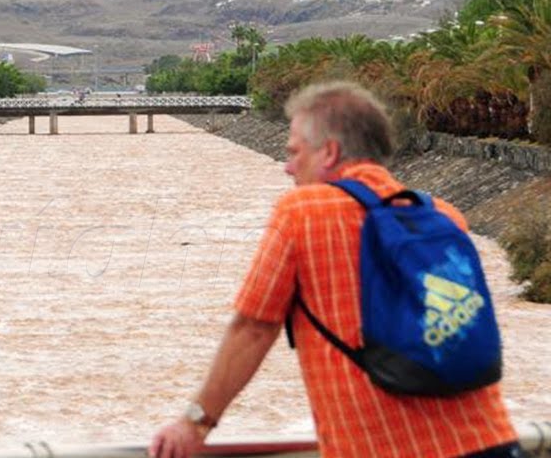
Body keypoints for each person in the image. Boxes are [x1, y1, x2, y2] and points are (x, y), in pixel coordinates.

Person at [148, 82, 520, 458]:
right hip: (492, 440)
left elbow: (254, 328)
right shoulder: (440, 214)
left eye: (294, 152)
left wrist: (195, 422)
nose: (287, 167)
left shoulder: (303, 211)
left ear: (329, 152)